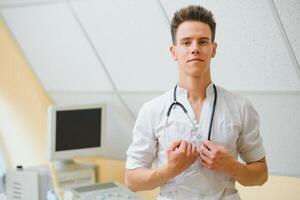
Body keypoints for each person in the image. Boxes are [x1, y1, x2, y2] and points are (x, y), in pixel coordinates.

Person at [125, 5, 268, 200]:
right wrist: (170, 169)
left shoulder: (240, 107)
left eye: (202, 42)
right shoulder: (152, 110)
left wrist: (231, 165)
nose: (194, 49)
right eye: (186, 42)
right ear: (173, 51)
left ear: (213, 49)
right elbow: (132, 180)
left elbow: (261, 175)